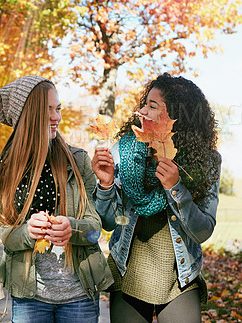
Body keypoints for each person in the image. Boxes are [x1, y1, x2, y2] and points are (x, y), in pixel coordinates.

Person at [92, 73, 221, 323]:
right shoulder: (123, 151)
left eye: (152, 106)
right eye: (145, 103)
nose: (141, 111)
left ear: (177, 115)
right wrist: (106, 185)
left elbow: (203, 232)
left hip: (179, 278)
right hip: (128, 273)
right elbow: (107, 223)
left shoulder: (206, 161)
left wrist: (176, 188)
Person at [0, 75, 113, 323]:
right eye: (47, 110)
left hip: (79, 298)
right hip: (29, 299)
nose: (57, 117)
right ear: (27, 116)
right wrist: (27, 233)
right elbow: (3, 234)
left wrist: (73, 229)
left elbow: (97, 229)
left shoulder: (78, 161)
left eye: (58, 108)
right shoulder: (6, 169)